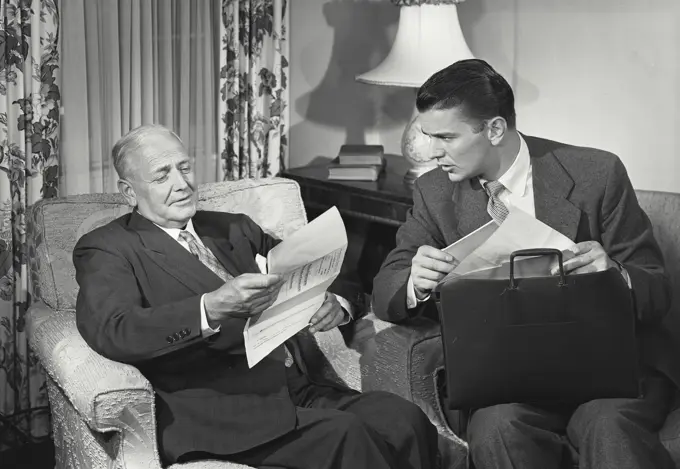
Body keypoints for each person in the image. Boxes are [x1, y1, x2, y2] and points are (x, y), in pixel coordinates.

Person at [73, 124, 439, 469]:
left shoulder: (232, 227)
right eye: (161, 175)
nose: (182, 184)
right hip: (218, 410)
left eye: (184, 168)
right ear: (128, 192)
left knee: (404, 419)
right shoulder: (107, 248)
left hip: (297, 385)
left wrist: (337, 304)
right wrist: (210, 309)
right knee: (347, 436)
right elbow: (114, 329)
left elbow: (326, 263)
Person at [372, 59, 677, 469]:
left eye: (446, 137)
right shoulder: (433, 192)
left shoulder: (597, 174)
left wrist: (615, 275)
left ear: (495, 129)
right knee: (498, 427)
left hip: (611, 372)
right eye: (429, 136)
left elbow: (657, 291)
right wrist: (414, 281)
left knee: (608, 425)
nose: (433, 151)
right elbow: (384, 290)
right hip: (506, 383)